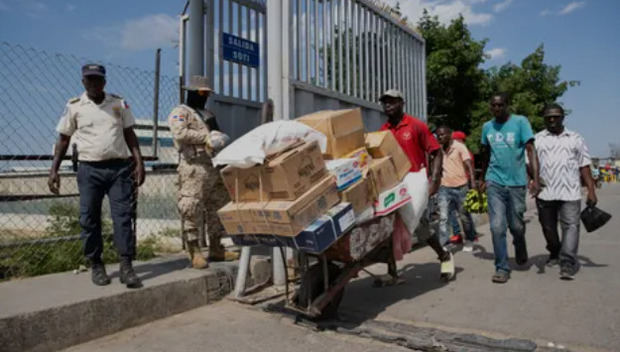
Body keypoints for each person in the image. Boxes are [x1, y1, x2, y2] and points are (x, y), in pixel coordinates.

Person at [49, 64, 145, 288]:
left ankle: (126, 265)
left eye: (97, 79)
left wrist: (138, 162)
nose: (93, 83)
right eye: (89, 79)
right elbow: (63, 140)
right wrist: (53, 169)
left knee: (123, 217)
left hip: (119, 169)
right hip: (89, 170)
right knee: (89, 218)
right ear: (83, 82)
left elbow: (129, 134)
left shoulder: (118, 103)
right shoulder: (74, 107)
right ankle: (96, 264)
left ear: (105, 82)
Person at [379, 89, 455, 280]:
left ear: (401, 103)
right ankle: (392, 272)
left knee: (420, 227)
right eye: (385, 102)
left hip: (414, 184)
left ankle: (444, 256)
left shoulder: (415, 126)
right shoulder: (383, 131)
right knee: (389, 228)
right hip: (393, 185)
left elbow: (436, 152)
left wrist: (435, 180)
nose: (388, 105)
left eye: (392, 102)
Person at [168, 75, 239, 269]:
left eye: (206, 93)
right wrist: (206, 136)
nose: (204, 96)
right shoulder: (181, 112)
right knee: (191, 207)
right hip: (194, 167)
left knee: (218, 207)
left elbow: (217, 135)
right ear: (191, 92)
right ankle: (194, 251)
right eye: (201, 93)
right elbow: (180, 134)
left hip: (213, 166)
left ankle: (217, 248)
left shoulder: (207, 114)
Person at [479, 93, 540, 284]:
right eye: (493, 105)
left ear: (507, 105)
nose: (497, 108)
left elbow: (531, 150)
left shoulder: (520, 122)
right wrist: (481, 178)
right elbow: (485, 153)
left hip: (516, 183)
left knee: (516, 225)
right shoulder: (487, 127)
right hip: (494, 181)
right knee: (497, 226)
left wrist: (536, 179)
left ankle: (519, 243)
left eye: (500, 105)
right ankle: (502, 267)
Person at [534, 103, 597, 280]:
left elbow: (584, 165)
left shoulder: (575, 138)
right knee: (548, 229)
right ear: (544, 119)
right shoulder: (537, 139)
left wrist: (591, 190)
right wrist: (534, 181)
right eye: (548, 117)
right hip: (545, 193)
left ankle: (568, 262)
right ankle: (554, 251)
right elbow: (529, 164)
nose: (552, 119)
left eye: (555, 116)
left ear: (563, 117)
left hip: (570, 193)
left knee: (571, 226)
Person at [435, 126, 477, 252]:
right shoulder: (438, 149)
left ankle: (469, 238)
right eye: (438, 135)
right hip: (444, 187)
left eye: (442, 135)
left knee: (464, 216)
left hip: (461, 187)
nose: (440, 137)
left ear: (449, 134)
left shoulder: (459, 146)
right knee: (443, 217)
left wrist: (473, 182)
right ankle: (444, 243)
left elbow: (468, 164)